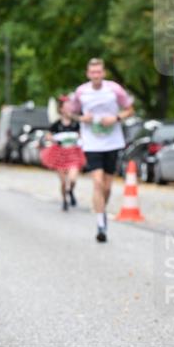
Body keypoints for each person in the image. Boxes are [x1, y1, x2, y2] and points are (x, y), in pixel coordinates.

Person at [69, 58, 135, 242]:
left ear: (103, 73)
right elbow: (72, 113)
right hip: (92, 142)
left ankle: (102, 210)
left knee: (107, 186)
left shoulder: (114, 89)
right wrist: (83, 118)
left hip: (112, 142)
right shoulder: (81, 92)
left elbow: (130, 109)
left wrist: (116, 118)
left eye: (99, 72)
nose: (96, 75)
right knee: (97, 182)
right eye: (93, 72)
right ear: (88, 74)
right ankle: (100, 223)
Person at [41, 96, 86, 211]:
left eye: (70, 107)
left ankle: (70, 190)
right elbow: (48, 135)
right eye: (66, 107)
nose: (69, 110)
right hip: (60, 153)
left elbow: (82, 135)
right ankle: (64, 200)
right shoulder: (57, 124)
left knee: (72, 179)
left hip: (73, 153)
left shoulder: (76, 124)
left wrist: (80, 140)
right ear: (61, 109)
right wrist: (54, 139)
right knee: (63, 181)